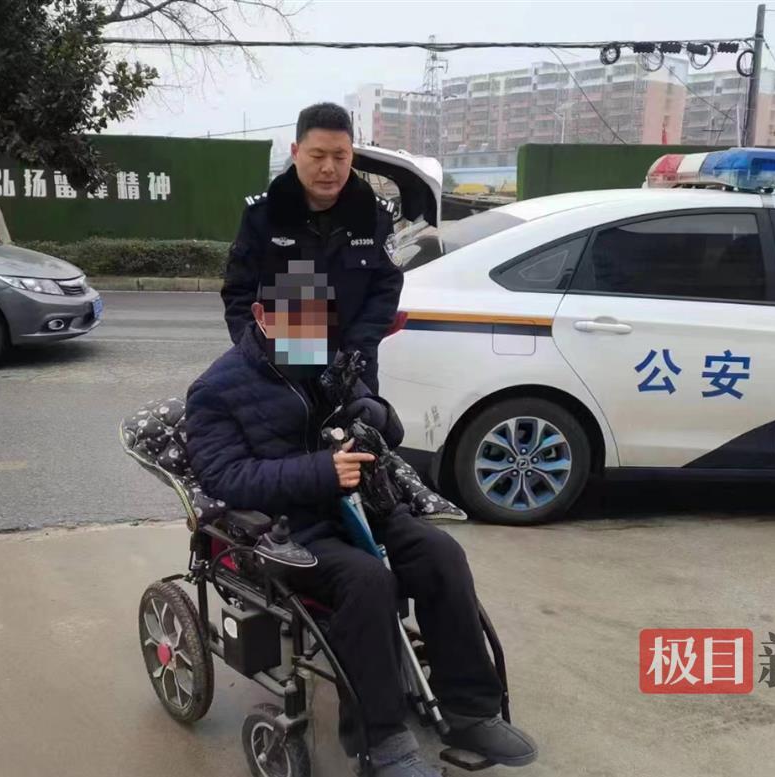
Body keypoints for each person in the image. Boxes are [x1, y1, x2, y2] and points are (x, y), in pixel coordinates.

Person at [186, 264, 538, 777]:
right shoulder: (216, 390)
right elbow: (224, 477)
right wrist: (321, 471)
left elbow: (386, 428)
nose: (309, 337)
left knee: (440, 554)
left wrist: (374, 412)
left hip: (363, 507)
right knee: (368, 580)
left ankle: (469, 710)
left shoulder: (328, 363)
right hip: (287, 531)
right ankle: (381, 744)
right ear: (261, 315)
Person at [221, 102, 402, 393]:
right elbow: (238, 293)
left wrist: (353, 354)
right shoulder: (264, 216)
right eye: (317, 156)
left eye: (340, 156)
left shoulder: (374, 217)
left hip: (353, 374)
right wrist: (258, 353)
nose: (328, 168)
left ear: (351, 155)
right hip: (279, 375)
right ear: (296, 152)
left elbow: (386, 289)